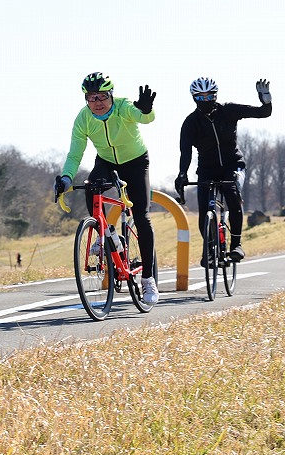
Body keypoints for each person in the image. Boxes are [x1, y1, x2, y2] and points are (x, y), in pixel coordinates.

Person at [53, 72, 160, 305]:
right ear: (86, 100)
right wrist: (66, 178)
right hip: (107, 162)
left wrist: (145, 110)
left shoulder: (123, 107)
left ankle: (148, 279)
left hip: (136, 161)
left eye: (102, 97)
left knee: (141, 215)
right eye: (92, 98)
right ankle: (107, 234)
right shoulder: (83, 119)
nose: (97, 103)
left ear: (111, 95)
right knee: (91, 188)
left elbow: (144, 118)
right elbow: (75, 153)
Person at [174, 77, 271, 265]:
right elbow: (185, 152)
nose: (206, 100)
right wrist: (182, 174)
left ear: (215, 95)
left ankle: (236, 245)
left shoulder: (229, 110)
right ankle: (210, 251)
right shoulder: (190, 122)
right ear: (194, 98)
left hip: (233, 165)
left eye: (209, 96)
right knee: (205, 210)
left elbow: (263, 113)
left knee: (233, 196)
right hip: (207, 169)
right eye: (200, 97)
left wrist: (265, 99)